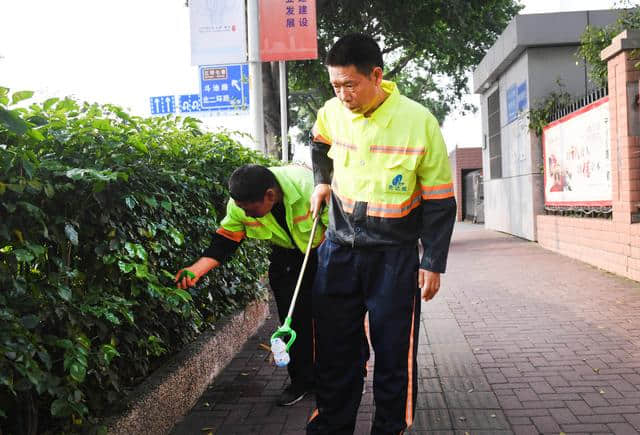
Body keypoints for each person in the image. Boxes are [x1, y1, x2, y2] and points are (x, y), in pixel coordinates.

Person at [307, 34, 457, 434]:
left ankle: (390, 429)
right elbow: (318, 143)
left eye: (350, 84)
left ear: (377, 75)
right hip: (338, 252)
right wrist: (322, 181)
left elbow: (441, 200)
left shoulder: (419, 122)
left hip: (393, 258)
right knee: (336, 353)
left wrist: (433, 262)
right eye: (335, 85)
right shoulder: (331, 112)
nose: (342, 94)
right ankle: (331, 427)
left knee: (394, 357)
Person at [175, 164, 328, 406]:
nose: (245, 215)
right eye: (241, 209)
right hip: (287, 256)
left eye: (251, 210)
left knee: (335, 318)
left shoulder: (309, 186)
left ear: (270, 195)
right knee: (293, 321)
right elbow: (225, 240)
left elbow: (341, 226)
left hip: (325, 250)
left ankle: (345, 379)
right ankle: (303, 381)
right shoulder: (240, 204)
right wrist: (195, 270)